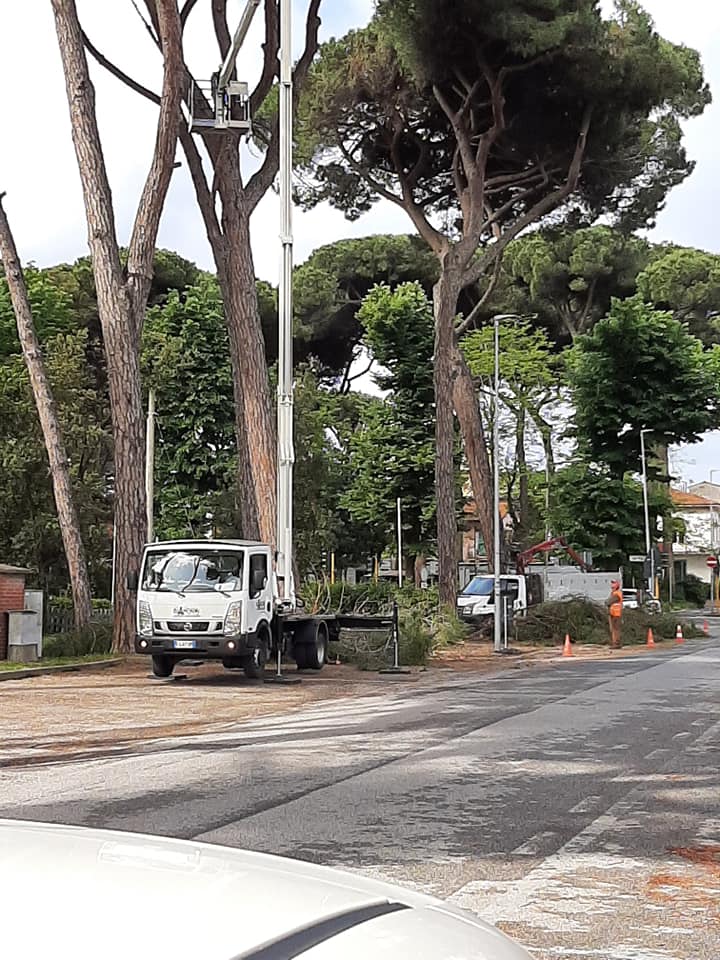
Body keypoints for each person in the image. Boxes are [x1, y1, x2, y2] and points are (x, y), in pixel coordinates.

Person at [606, 579, 623, 648]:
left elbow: (608, 602)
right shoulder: (614, 593)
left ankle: (616, 643)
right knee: (614, 629)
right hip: (613, 613)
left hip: (616, 614)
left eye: (613, 584)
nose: (612, 586)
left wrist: (607, 602)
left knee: (615, 629)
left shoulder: (617, 594)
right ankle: (615, 642)